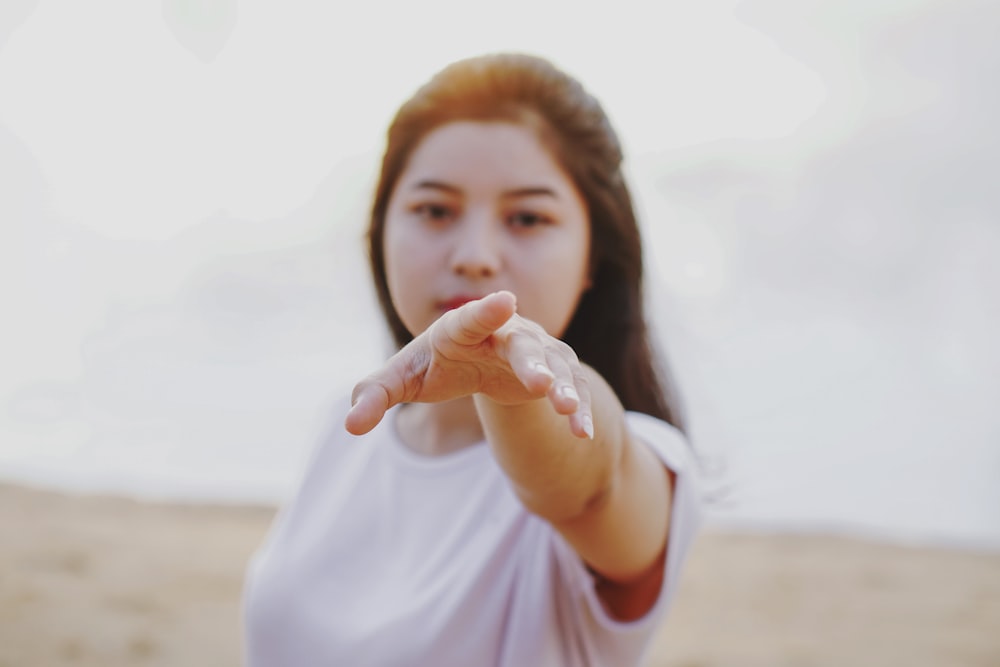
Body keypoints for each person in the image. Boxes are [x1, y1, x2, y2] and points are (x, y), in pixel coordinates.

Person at [242, 52, 700, 667]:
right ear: (380, 232)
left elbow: (588, 485)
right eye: (435, 210)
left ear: (594, 257)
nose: (476, 256)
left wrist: (516, 391)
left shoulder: (641, 463)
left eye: (528, 218)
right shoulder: (347, 421)